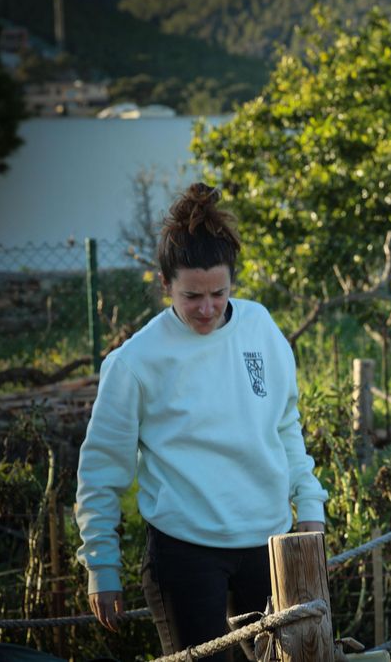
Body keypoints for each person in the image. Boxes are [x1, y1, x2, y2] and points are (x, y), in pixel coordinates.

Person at [75, 183, 328, 660]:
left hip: (270, 544)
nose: (208, 308)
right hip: (185, 553)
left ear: (233, 282)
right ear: (165, 283)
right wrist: (101, 564)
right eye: (192, 296)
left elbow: (285, 426)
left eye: (219, 293)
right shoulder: (135, 361)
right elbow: (101, 471)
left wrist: (309, 504)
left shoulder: (262, 328)